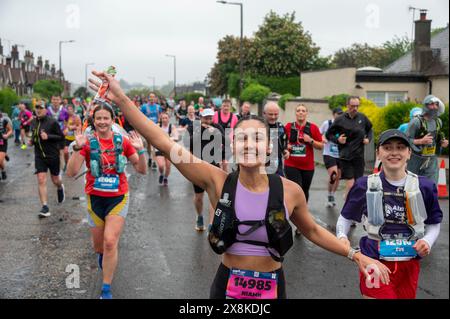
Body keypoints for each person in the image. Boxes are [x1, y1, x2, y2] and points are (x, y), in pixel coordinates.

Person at [88, 70, 389, 299]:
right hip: (227, 285)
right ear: (232, 145)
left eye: (257, 138)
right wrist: (122, 99)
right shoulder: (215, 180)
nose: (249, 144)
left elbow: (311, 230)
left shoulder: (289, 190)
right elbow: (163, 142)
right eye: (242, 138)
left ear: (268, 147)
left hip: (272, 288)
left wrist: (355, 255)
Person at [336, 129, 443, 299]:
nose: (394, 152)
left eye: (400, 147)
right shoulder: (364, 185)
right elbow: (345, 218)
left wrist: (427, 241)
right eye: (387, 148)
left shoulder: (425, 186)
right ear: (378, 153)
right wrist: (342, 236)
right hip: (373, 260)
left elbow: (434, 223)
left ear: (409, 153)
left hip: (409, 262)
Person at [66, 103, 147, 299]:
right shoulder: (87, 142)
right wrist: (77, 147)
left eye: (106, 118)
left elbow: (142, 169)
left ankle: (106, 289)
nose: (102, 122)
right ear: (93, 121)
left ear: (113, 120)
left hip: (118, 197)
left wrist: (142, 151)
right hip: (95, 198)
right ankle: (104, 257)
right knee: (99, 247)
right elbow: (71, 172)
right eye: (98, 118)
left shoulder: (122, 141)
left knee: (110, 242)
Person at [326, 96, 373, 199]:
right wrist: (338, 140)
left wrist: (368, 139)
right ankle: (348, 209)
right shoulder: (340, 120)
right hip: (345, 157)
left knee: (359, 184)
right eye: (352, 106)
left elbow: (370, 130)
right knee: (351, 184)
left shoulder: (362, 118)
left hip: (359, 157)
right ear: (347, 106)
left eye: (357, 106)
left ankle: (351, 203)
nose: (355, 108)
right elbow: (329, 135)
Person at [187, 108, 225, 231]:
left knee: (214, 196)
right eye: (206, 118)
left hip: (214, 165)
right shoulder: (194, 126)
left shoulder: (217, 127)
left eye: (210, 118)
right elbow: (188, 143)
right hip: (198, 167)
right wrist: (201, 131)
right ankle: (199, 216)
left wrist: (216, 133)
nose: (208, 120)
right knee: (199, 196)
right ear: (201, 117)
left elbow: (225, 141)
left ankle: (211, 224)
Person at [29, 102, 66, 218]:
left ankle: (60, 187)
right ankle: (45, 207)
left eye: (41, 108)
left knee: (55, 180)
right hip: (39, 156)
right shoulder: (33, 122)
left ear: (46, 110)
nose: (38, 110)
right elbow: (34, 136)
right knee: (41, 179)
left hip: (52, 155)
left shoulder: (52, 122)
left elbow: (61, 136)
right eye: (37, 108)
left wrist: (48, 137)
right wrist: (32, 141)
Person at [406, 95, 448, 184]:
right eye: (431, 104)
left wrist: (442, 142)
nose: (434, 107)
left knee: (431, 186)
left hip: (431, 160)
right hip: (415, 159)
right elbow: (405, 140)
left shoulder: (438, 122)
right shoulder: (416, 122)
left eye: (436, 104)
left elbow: (435, 140)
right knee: (413, 186)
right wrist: (420, 141)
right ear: (425, 106)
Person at [320, 107, 344, 207]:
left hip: (340, 154)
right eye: (338, 114)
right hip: (329, 153)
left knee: (338, 177)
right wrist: (323, 139)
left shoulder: (344, 125)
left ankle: (332, 195)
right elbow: (319, 134)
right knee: (333, 175)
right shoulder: (327, 123)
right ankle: (329, 195)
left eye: (341, 114)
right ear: (334, 114)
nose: (339, 116)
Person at [263, 102, 288, 176]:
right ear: (264, 113)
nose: (273, 117)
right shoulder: (258, 126)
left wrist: (285, 151)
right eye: (270, 114)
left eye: (276, 114)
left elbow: (284, 143)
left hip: (277, 166)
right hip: (261, 166)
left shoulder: (281, 127)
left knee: (278, 186)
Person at [213, 99, 238, 172]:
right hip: (216, 142)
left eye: (227, 106)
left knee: (225, 163)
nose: (226, 108)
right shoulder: (215, 115)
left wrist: (234, 143)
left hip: (228, 143)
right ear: (221, 106)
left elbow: (236, 131)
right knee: (218, 163)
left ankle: (225, 179)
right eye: (224, 106)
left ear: (230, 107)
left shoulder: (234, 117)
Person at [155, 112, 179, 186]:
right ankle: (161, 174)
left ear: (169, 119)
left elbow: (176, 138)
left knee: (168, 166)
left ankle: (165, 178)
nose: (164, 120)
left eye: (166, 118)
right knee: (161, 165)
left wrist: (169, 138)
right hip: (159, 148)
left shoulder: (172, 127)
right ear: (161, 119)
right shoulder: (157, 126)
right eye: (163, 118)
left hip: (169, 149)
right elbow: (153, 136)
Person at [140, 93, 161, 169]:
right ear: (148, 98)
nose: (152, 98)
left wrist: (159, 122)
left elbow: (159, 116)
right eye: (150, 97)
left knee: (154, 145)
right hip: (147, 127)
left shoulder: (158, 107)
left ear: (155, 98)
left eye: (153, 97)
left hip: (155, 127)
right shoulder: (144, 107)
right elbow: (140, 116)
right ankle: (149, 157)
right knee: (149, 145)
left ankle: (154, 162)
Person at [63, 104, 82, 171]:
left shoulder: (76, 117)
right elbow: (65, 126)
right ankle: (67, 164)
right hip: (67, 138)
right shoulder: (66, 117)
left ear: (73, 110)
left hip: (74, 138)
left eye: (71, 109)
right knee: (65, 152)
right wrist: (65, 130)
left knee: (73, 154)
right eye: (68, 109)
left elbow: (79, 126)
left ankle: (73, 167)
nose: (69, 111)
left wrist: (73, 127)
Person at [0, 112, 13, 180]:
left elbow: (10, 130)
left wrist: (7, 135)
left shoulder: (4, 120)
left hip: (2, 142)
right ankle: (3, 170)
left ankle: (4, 154)